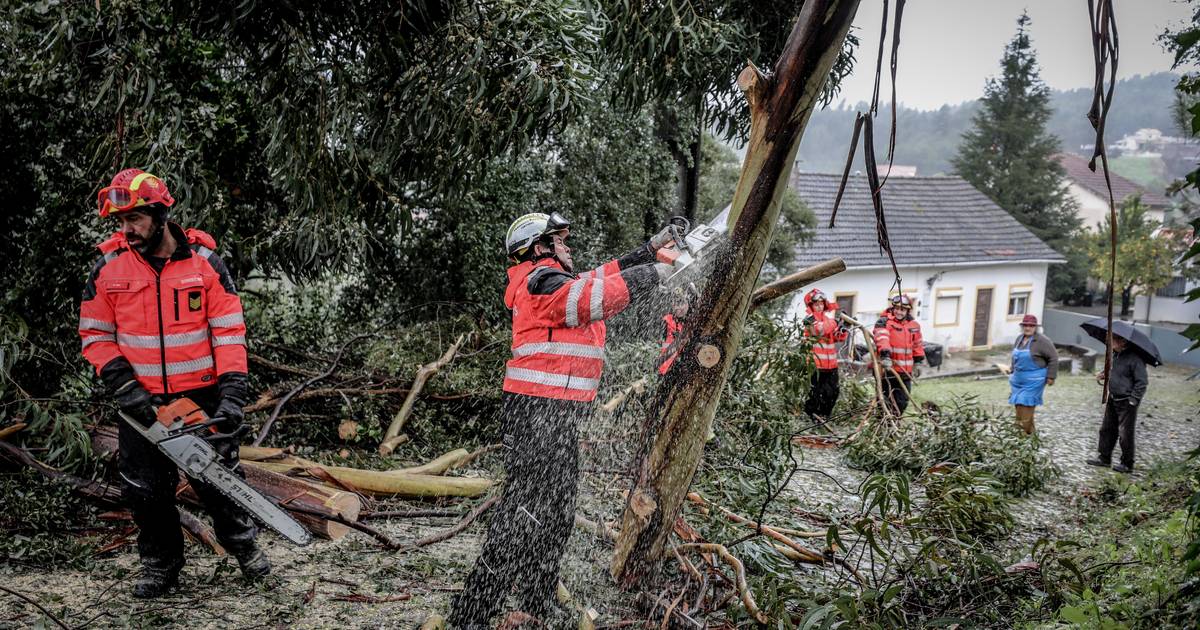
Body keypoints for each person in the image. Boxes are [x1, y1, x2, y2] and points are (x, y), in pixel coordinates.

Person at [450, 212, 674, 628]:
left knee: (556, 514)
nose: (568, 247)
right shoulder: (541, 282)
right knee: (523, 513)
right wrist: (656, 273)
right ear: (539, 248)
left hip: (556, 416)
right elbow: (592, 297)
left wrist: (648, 252)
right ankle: (473, 611)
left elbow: (600, 277)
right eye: (560, 240)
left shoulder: (553, 278)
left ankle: (536, 599)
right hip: (536, 414)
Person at [78, 168, 268, 598]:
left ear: (161, 214)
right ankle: (160, 566)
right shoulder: (108, 267)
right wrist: (125, 387)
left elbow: (229, 332)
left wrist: (232, 395)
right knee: (145, 490)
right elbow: (95, 335)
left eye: (135, 219)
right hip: (140, 399)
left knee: (219, 483)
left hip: (200, 396)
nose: (127, 230)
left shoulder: (205, 263)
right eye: (121, 221)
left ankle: (245, 548)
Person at [1086, 333, 1149, 473]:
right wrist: (1104, 374)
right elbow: (1114, 371)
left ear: (1122, 341)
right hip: (1113, 398)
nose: (1109, 342)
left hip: (1126, 401)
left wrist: (1133, 400)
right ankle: (1104, 458)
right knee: (1106, 429)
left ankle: (1127, 463)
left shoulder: (1135, 359)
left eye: (1112, 339)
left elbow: (1142, 382)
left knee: (1125, 433)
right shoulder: (1115, 355)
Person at [873, 294, 924, 415]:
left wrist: (918, 362)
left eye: (902, 310)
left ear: (907, 311)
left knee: (902, 402)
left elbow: (917, 345)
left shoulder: (914, 326)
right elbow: (882, 339)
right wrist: (885, 355)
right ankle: (884, 423)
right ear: (892, 308)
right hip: (887, 371)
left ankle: (894, 422)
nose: (899, 312)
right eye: (897, 309)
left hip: (905, 373)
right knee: (885, 402)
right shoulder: (884, 322)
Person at [801, 289, 848, 424]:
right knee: (815, 394)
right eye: (816, 304)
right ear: (811, 306)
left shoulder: (828, 320)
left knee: (833, 392)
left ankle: (824, 418)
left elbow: (837, 337)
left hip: (831, 365)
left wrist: (843, 327)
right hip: (815, 366)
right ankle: (811, 419)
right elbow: (820, 330)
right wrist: (835, 322)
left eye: (821, 304)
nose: (819, 306)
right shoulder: (809, 320)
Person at [1008, 314, 1058, 434]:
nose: (1028, 328)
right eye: (1025, 325)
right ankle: (1030, 432)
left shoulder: (1042, 341)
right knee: (1018, 405)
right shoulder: (1019, 339)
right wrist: (1012, 368)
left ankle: (1022, 433)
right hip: (1018, 379)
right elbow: (1015, 356)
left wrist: (1051, 376)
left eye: (1031, 326)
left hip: (1034, 379)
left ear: (1035, 327)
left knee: (1026, 405)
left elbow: (1053, 358)